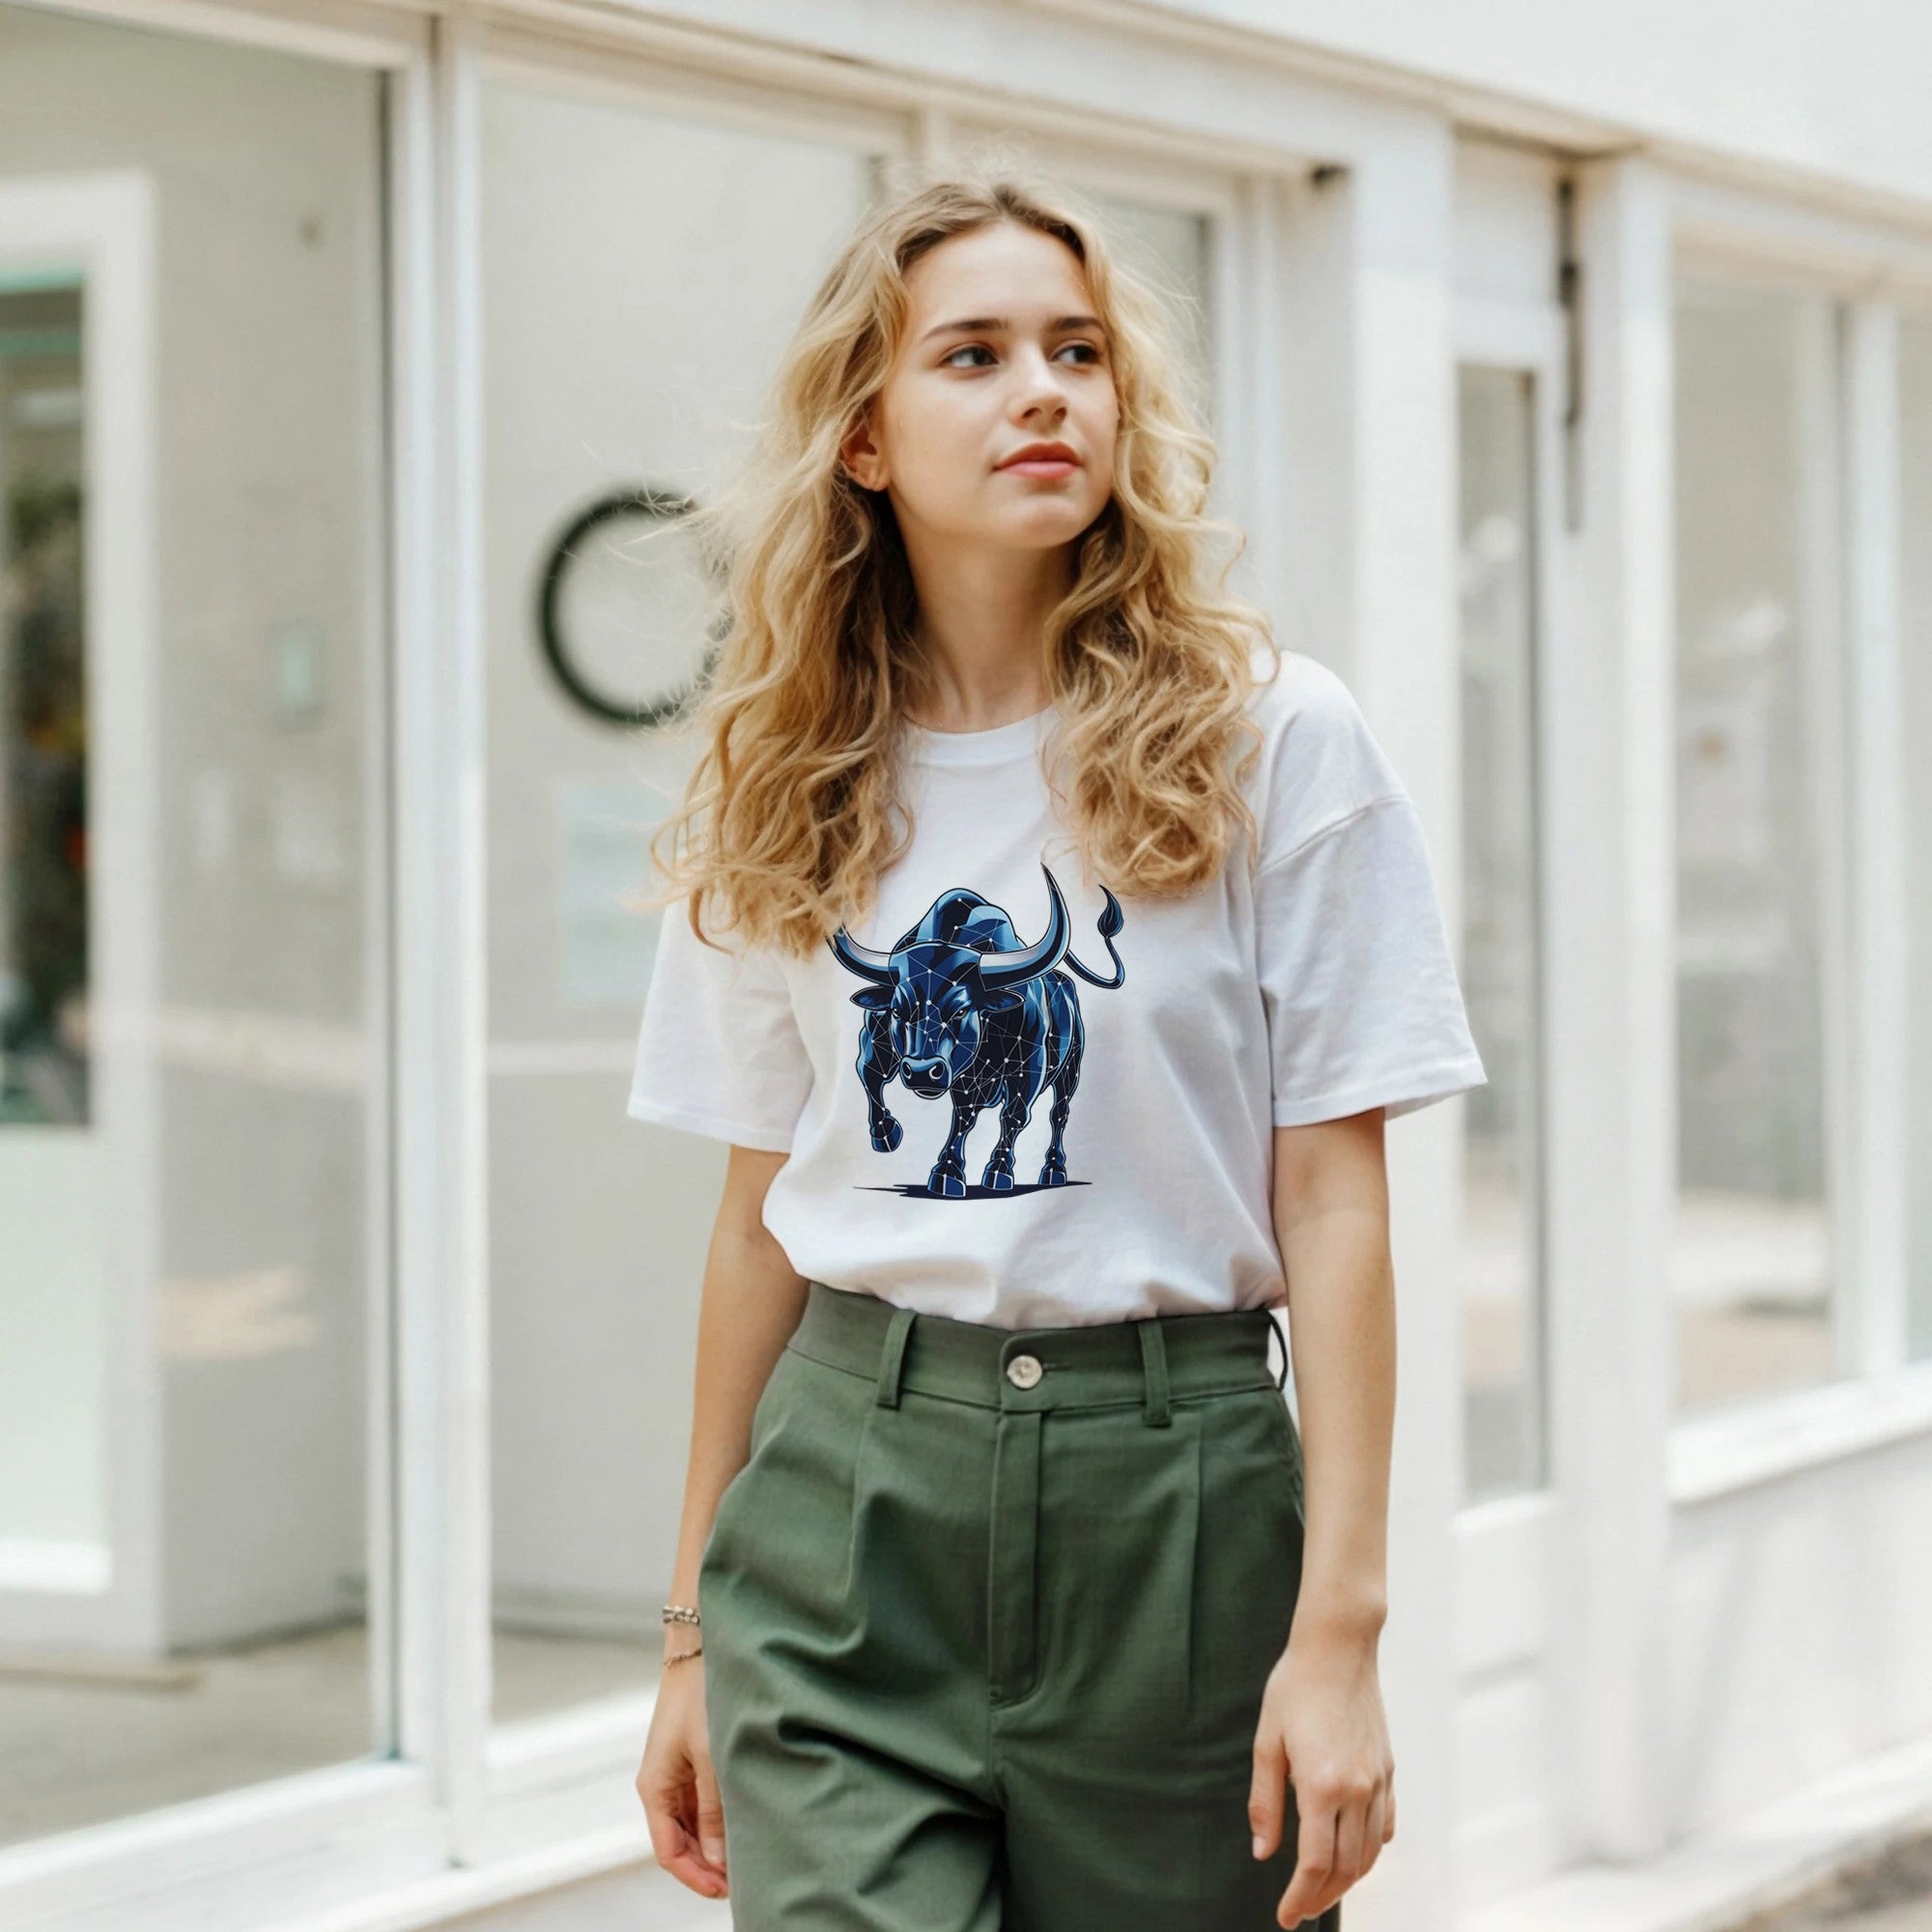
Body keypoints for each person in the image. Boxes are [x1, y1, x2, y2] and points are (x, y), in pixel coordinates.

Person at [626, 167, 1486, 1931]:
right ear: (862, 437)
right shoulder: (781, 782)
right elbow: (751, 1230)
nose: (1044, 391)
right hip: (848, 1514)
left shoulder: (1276, 738)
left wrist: (1340, 1636)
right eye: (975, 354)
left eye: (1078, 350)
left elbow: (1336, 1210)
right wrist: (691, 1636)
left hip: (1174, 1511)